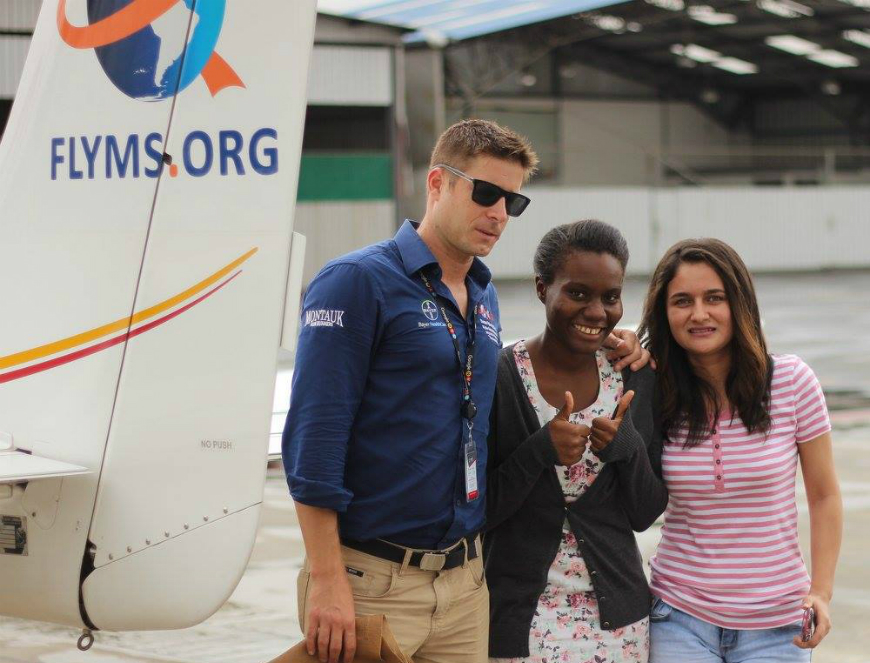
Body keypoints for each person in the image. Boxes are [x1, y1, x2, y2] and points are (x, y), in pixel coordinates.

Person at [283, 120, 648, 663]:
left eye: (512, 201)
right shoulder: (357, 282)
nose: (499, 213)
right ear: (437, 183)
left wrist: (620, 346)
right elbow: (315, 438)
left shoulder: (483, 295)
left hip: (465, 584)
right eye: (485, 192)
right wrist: (329, 579)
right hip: (372, 580)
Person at [639, 238, 843, 663]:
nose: (699, 314)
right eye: (682, 301)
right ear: (665, 313)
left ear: (739, 303)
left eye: (714, 298)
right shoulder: (654, 390)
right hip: (678, 614)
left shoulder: (791, 382)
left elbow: (824, 495)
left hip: (778, 623)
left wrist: (821, 592)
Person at [484, 220, 668, 663]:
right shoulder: (499, 376)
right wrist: (537, 452)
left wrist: (628, 451)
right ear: (542, 288)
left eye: (610, 297)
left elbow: (645, 513)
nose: (597, 312)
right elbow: (478, 510)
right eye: (578, 293)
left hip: (619, 623)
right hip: (517, 622)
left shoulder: (633, 376)